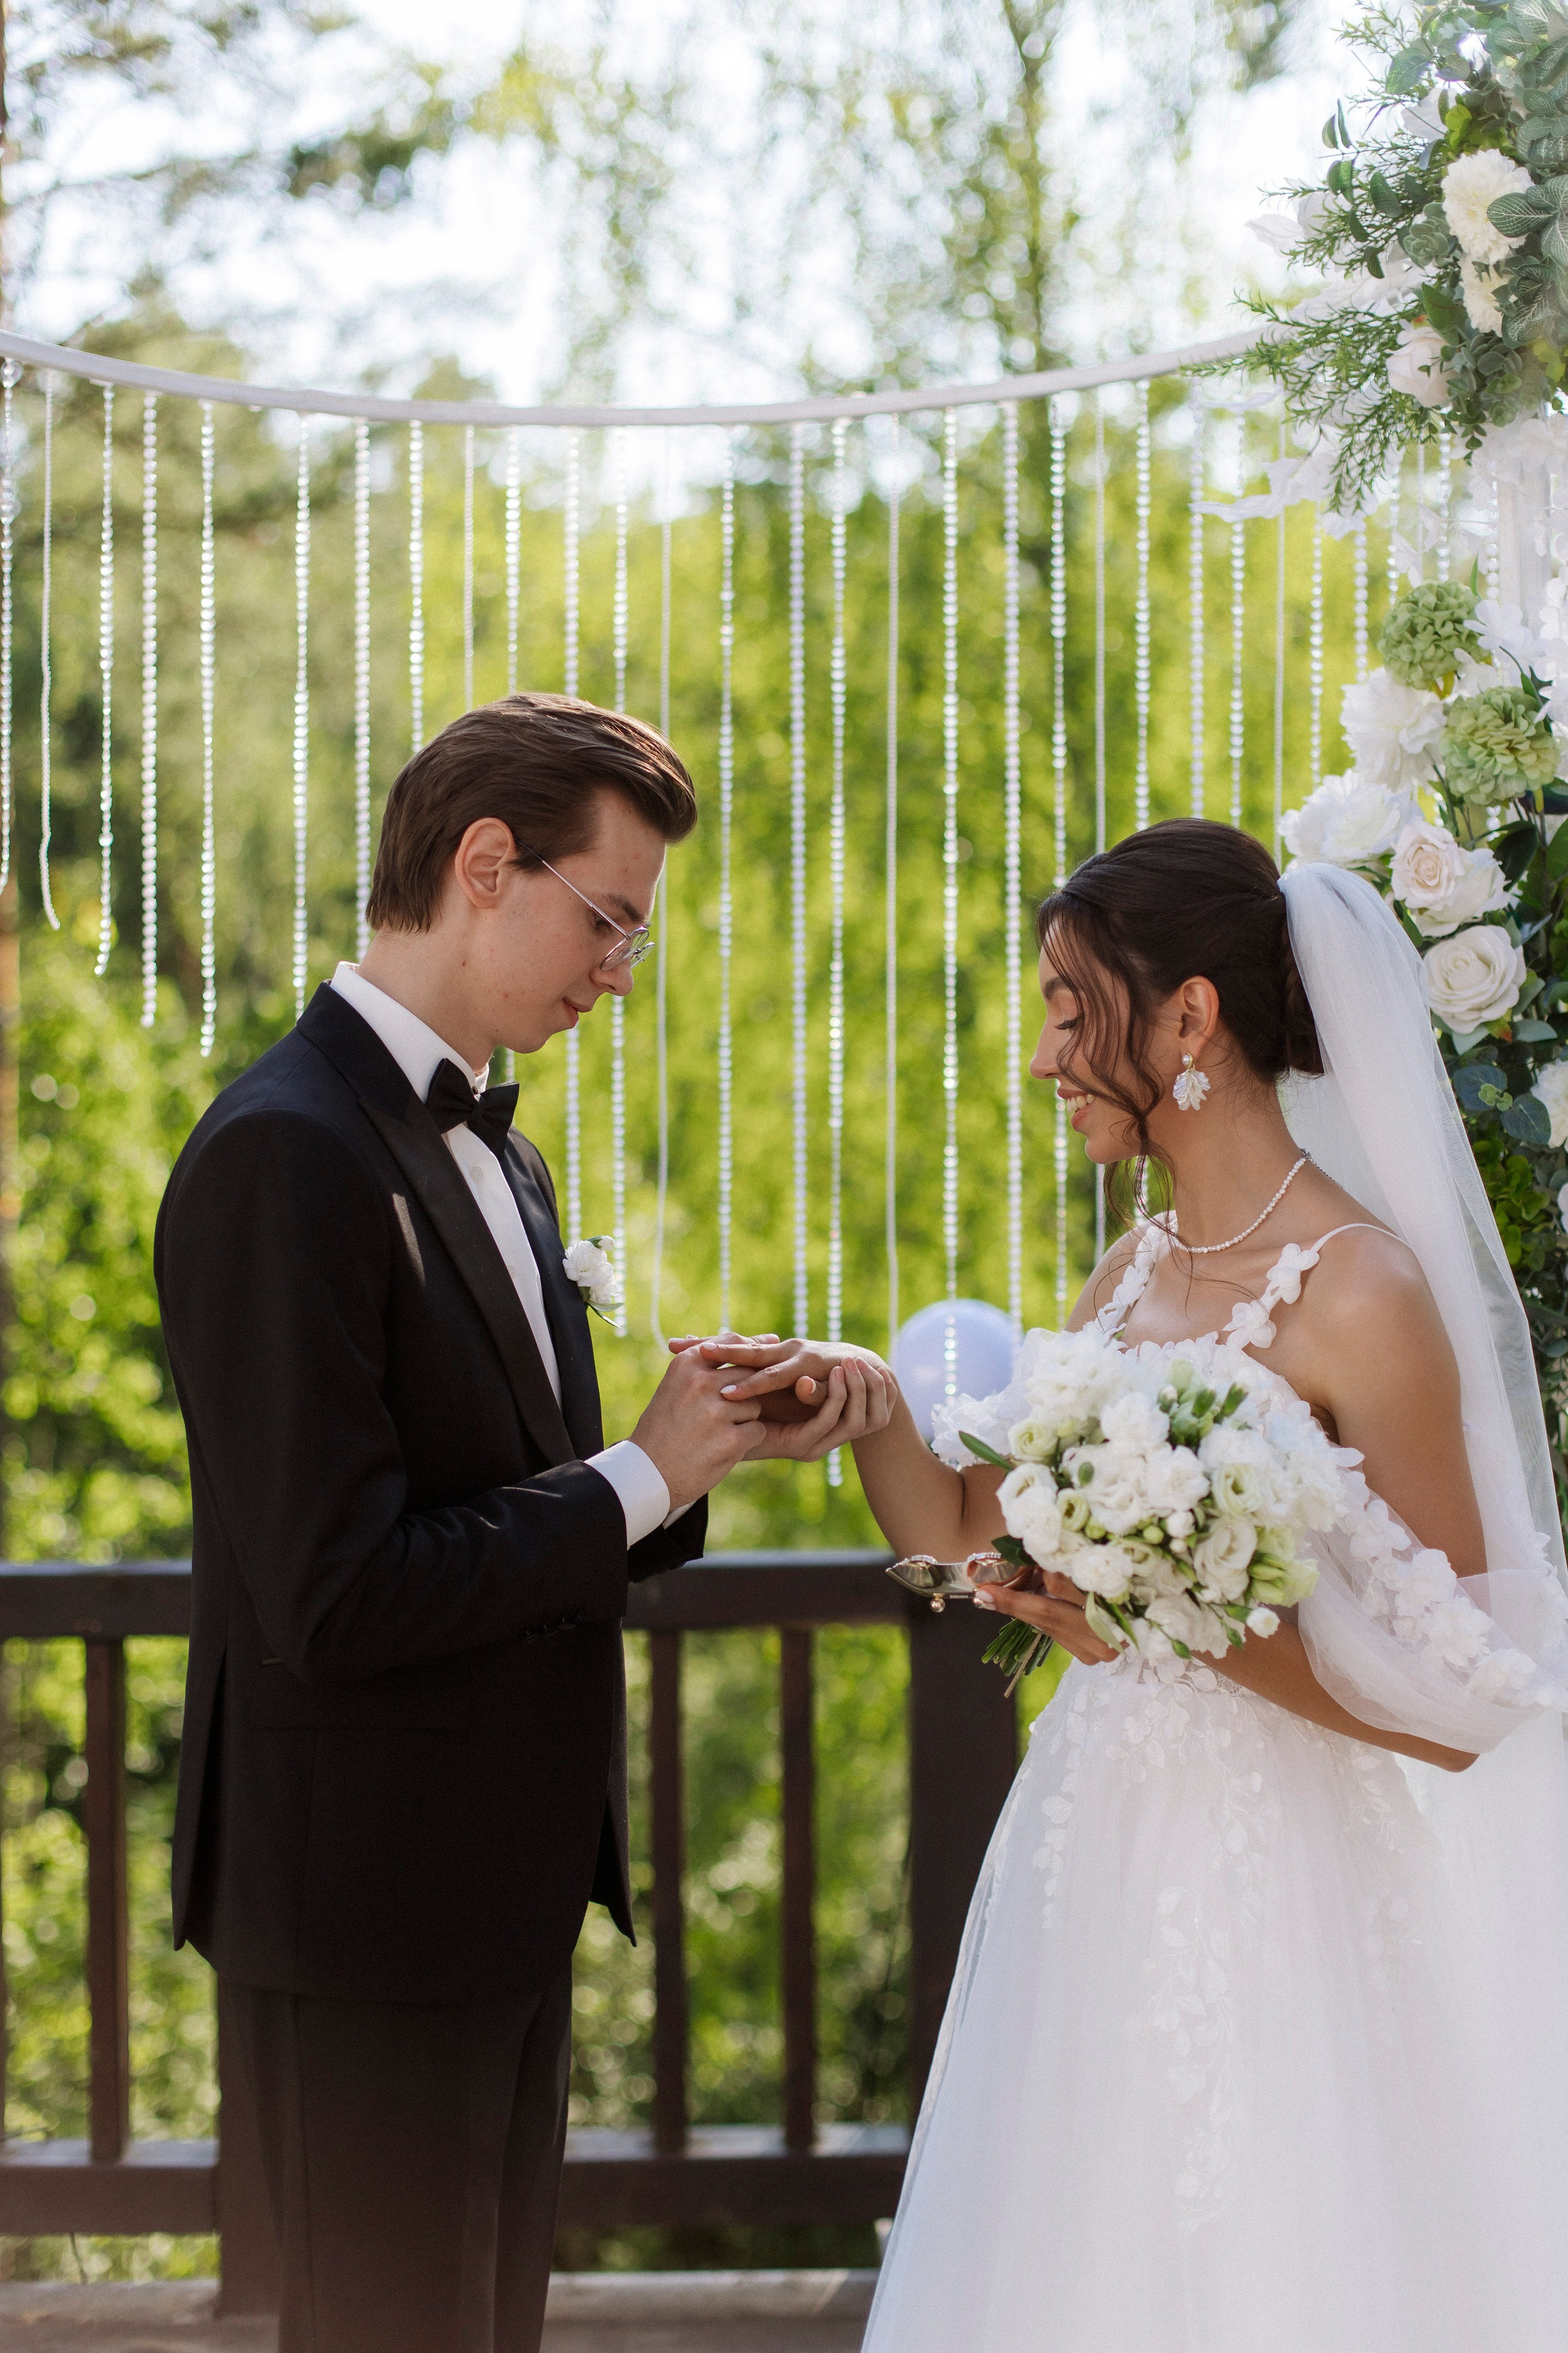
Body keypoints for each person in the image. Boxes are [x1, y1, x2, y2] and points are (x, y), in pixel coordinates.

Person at [699, 819, 1568, 2351]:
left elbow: (1465, 1701)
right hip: (1092, 1856)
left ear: (1187, 1019)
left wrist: (1164, 1631)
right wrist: (869, 1408)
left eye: (1062, 1003)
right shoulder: (1132, 1270)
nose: (1042, 1054)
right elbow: (980, 1537)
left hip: (1288, 1884)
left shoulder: (1362, 1294)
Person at [155, 691, 891, 2353]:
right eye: (609, 920)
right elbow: (334, 1593)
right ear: (487, 863)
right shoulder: (283, 1155)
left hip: (497, 1886)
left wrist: (696, 1459)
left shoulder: (512, 1153)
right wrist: (637, 1473)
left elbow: (513, 1507)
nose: (621, 970)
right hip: (361, 1912)